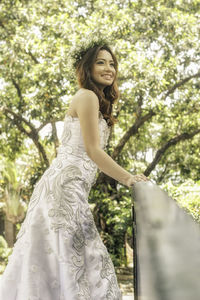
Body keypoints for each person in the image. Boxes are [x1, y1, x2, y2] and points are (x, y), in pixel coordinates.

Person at [0, 41, 148, 300]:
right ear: (87, 67)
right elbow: (93, 151)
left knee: (64, 259)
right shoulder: (87, 96)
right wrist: (129, 179)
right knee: (82, 256)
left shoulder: (96, 101)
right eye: (100, 62)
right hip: (64, 189)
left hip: (67, 188)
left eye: (112, 63)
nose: (108, 68)